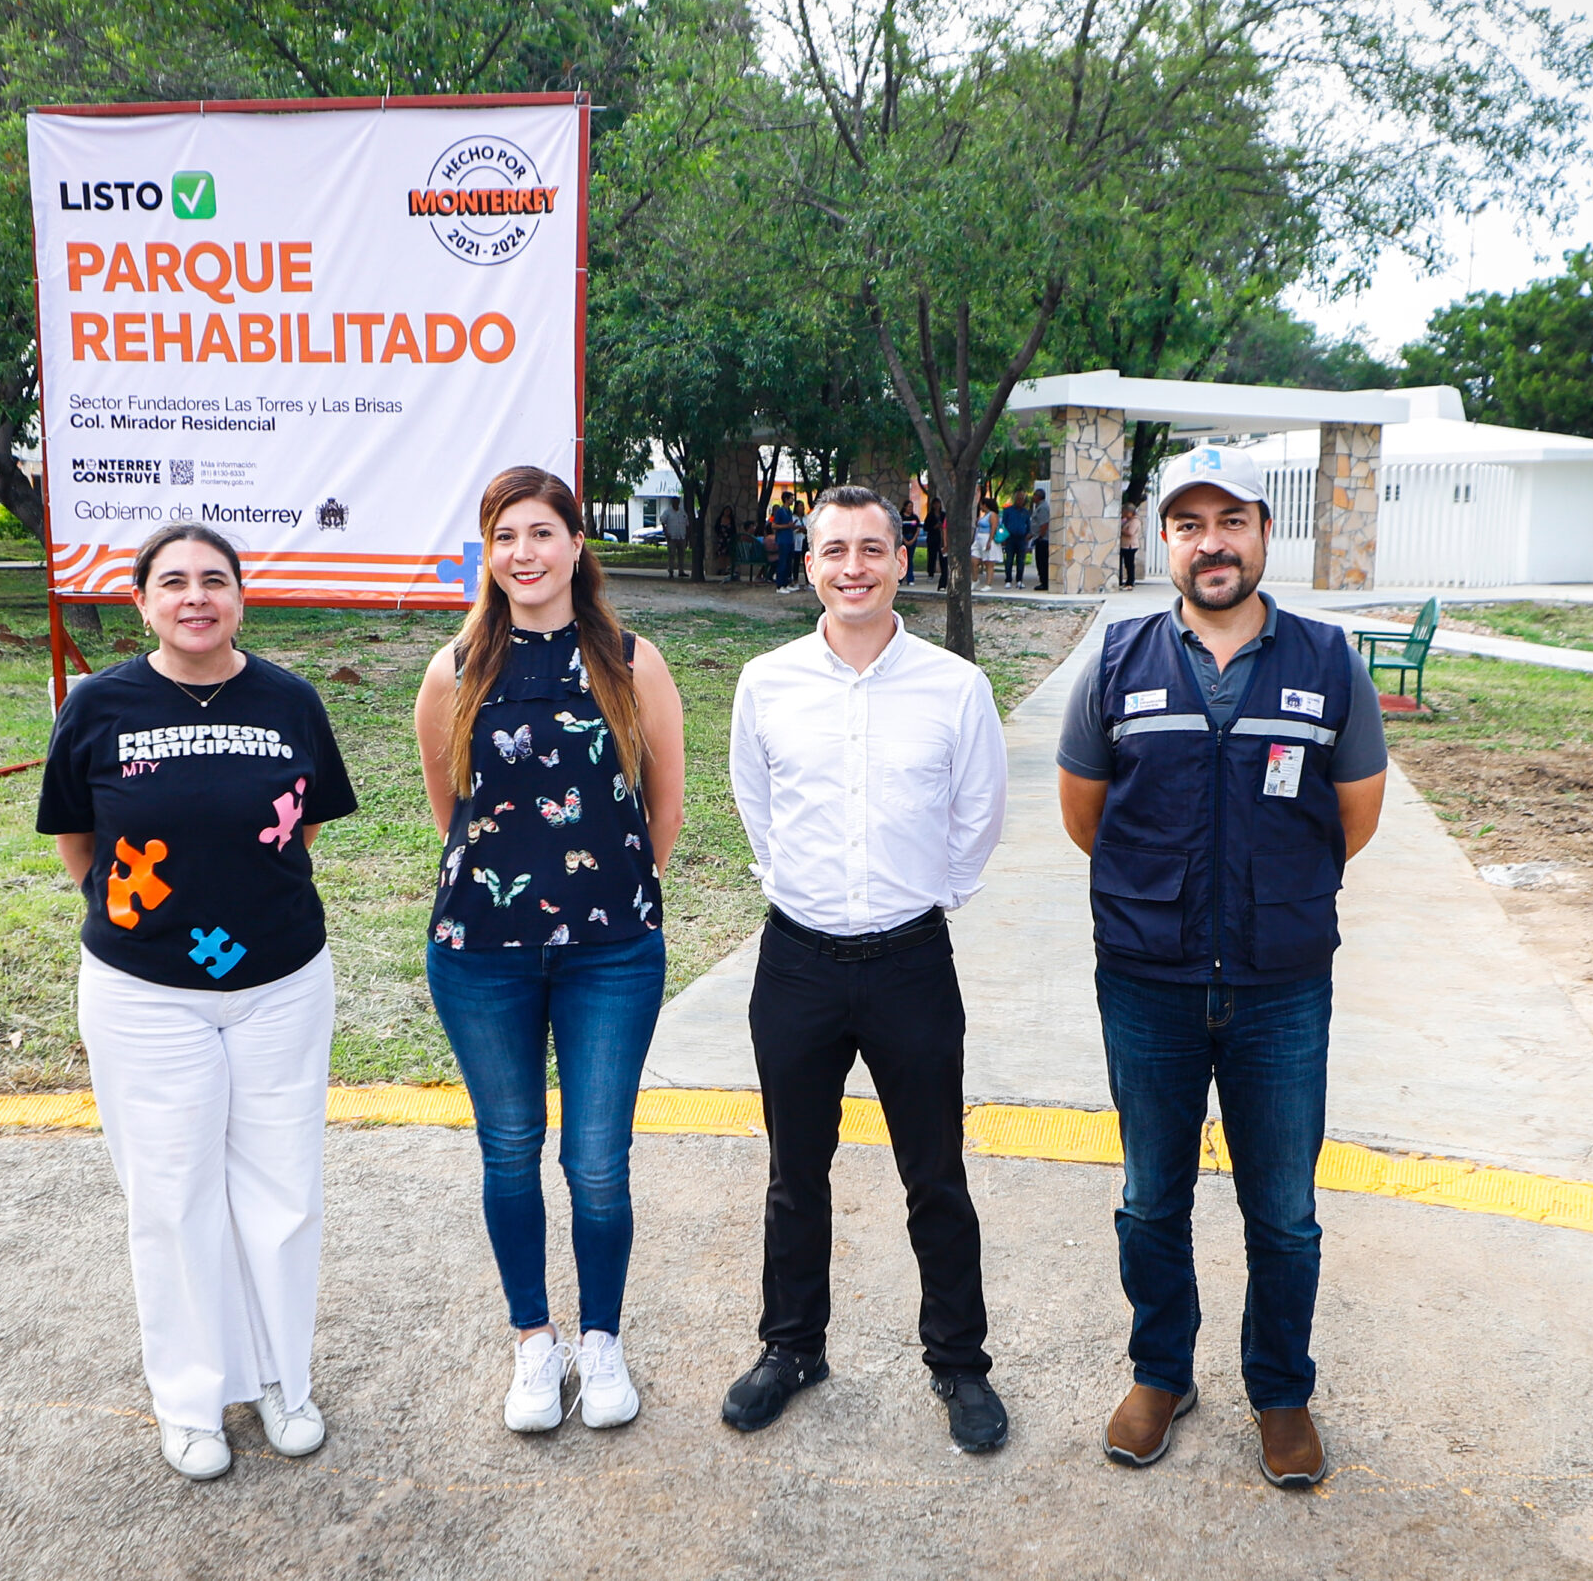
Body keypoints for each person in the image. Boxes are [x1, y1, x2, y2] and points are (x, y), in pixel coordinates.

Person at [1053, 443, 1389, 1490]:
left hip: (1280, 982)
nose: (1211, 542)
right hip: (1146, 978)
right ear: (1165, 540)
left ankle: (1280, 1390)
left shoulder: (1328, 660)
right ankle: (1161, 1371)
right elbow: (1084, 814)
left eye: (1230, 520)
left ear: (1262, 533)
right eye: (1189, 523)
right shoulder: (1116, 660)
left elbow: (1355, 815)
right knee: (1152, 1194)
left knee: (1281, 1208)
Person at [37, 522, 358, 1481]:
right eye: (172, 582)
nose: (195, 597)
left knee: (282, 1194)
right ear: (142, 601)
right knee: (173, 1203)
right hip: (146, 996)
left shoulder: (290, 701)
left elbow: (300, 832)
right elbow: (78, 845)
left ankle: (281, 1382)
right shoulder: (99, 703)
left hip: (282, 986)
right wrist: (156, 925)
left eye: (214, 580)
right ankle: (190, 1402)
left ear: (240, 598)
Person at [721, 486, 1012, 1454]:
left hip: (909, 960)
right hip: (796, 959)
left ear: (902, 558)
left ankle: (959, 1365)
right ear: (808, 564)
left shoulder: (953, 686)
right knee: (793, 1173)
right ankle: (791, 1347)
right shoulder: (765, 681)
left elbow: (978, 816)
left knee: (934, 1173)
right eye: (834, 549)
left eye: (872, 548)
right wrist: (805, 889)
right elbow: (755, 804)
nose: (853, 566)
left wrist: (925, 895)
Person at [416, 467, 688, 1434]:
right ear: (487, 555)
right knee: (510, 1151)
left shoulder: (628, 658)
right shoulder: (456, 667)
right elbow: (456, 813)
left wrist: (597, 895)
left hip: (611, 955)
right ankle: (535, 1342)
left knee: (598, 1162)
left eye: (541, 532)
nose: (524, 554)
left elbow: (662, 813)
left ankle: (601, 1340)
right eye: (504, 537)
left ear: (577, 543)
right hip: (481, 952)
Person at [770, 494, 800, 593]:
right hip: (783, 540)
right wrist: (787, 526)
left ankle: (786, 583)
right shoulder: (780, 511)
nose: (793, 501)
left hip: (789, 539)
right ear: (786, 499)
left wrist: (792, 526)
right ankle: (779, 585)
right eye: (791, 499)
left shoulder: (789, 511)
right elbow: (774, 525)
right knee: (782, 562)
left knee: (788, 563)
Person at [1000, 494, 1031, 586]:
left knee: (1021, 560)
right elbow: (1003, 525)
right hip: (1010, 538)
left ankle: (1019, 580)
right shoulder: (1008, 511)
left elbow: (1028, 524)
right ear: (1015, 499)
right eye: (1018, 499)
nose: (1020, 501)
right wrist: (1003, 538)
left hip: (1022, 539)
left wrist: (1028, 535)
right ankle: (1008, 580)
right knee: (1009, 559)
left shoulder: (1025, 512)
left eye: (1021, 500)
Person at [661, 497, 690, 580]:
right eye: (674, 502)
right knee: (672, 554)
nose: (676, 503)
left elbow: (687, 524)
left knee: (682, 555)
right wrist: (666, 533)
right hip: (672, 536)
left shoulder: (682, 512)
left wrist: (687, 535)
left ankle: (681, 571)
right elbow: (663, 522)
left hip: (681, 536)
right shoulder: (667, 512)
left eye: (677, 502)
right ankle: (671, 571)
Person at [1118, 499, 1142, 589]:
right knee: (1126, 564)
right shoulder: (1128, 520)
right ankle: (1124, 581)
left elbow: (1130, 532)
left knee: (1129, 564)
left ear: (1130, 512)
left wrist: (1121, 530)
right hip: (1125, 545)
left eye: (1124, 512)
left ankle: (1130, 582)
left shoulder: (1135, 521)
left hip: (1130, 546)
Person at [970, 501, 995, 586]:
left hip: (986, 538)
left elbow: (993, 528)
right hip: (979, 539)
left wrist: (989, 541)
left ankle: (988, 584)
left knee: (988, 563)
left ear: (985, 505)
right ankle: (975, 579)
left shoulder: (992, 515)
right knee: (974, 560)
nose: (980, 507)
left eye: (981, 505)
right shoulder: (984, 515)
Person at [1031, 488, 1052, 590]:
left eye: (1034, 495)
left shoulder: (1042, 508)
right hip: (1040, 538)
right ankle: (1043, 581)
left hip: (1043, 540)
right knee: (1040, 561)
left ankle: (1044, 582)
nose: (1033, 497)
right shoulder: (1039, 507)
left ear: (1038, 496)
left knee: (1042, 562)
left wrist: (1040, 536)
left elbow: (1044, 524)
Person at [713, 505, 737, 583]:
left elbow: (734, 530)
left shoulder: (731, 520)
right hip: (721, 539)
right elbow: (716, 528)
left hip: (729, 539)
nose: (727, 512)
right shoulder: (720, 519)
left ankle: (727, 569)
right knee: (721, 554)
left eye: (729, 511)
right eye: (726, 510)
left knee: (728, 554)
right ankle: (721, 568)